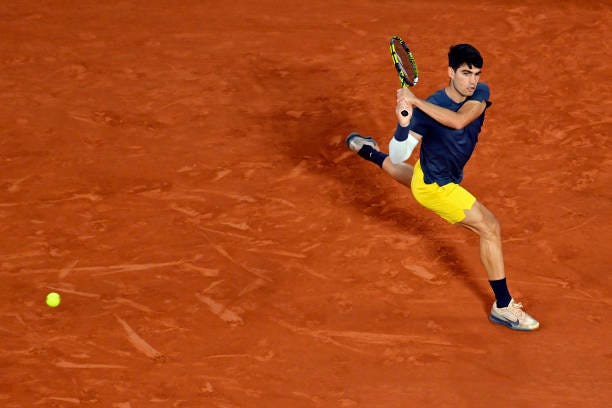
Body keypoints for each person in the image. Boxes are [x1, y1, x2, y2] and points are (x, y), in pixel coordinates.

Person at [346, 44, 539, 331]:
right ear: (450, 72)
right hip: (438, 187)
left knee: (414, 178)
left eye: (476, 73)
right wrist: (403, 124)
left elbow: (459, 121)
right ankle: (503, 306)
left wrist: (417, 102)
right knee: (489, 227)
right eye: (465, 73)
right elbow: (400, 153)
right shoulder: (424, 113)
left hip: (430, 172)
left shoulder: (479, 94)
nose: (472, 80)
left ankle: (367, 151)